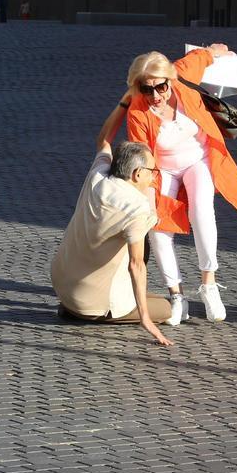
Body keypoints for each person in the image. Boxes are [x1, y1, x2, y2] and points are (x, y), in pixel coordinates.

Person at [98, 45, 237, 324]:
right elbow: (144, 158)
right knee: (158, 229)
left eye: (160, 87)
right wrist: (144, 199)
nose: (156, 96)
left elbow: (197, 59)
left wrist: (215, 51)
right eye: (147, 90)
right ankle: (177, 295)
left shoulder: (178, 78)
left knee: (202, 211)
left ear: (169, 80)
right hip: (161, 170)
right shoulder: (138, 112)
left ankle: (209, 284)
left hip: (199, 158)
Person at [50, 140, 173, 346]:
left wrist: (124, 105)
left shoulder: (98, 173)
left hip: (62, 283)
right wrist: (146, 320)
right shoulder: (136, 208)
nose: (153, 176)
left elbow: (104, 139)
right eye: (152, 171)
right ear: (137, 173)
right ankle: (84, 313)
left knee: (146, 294)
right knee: (165, 308)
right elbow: (136, 265)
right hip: (89, 301)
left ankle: (74, 306)